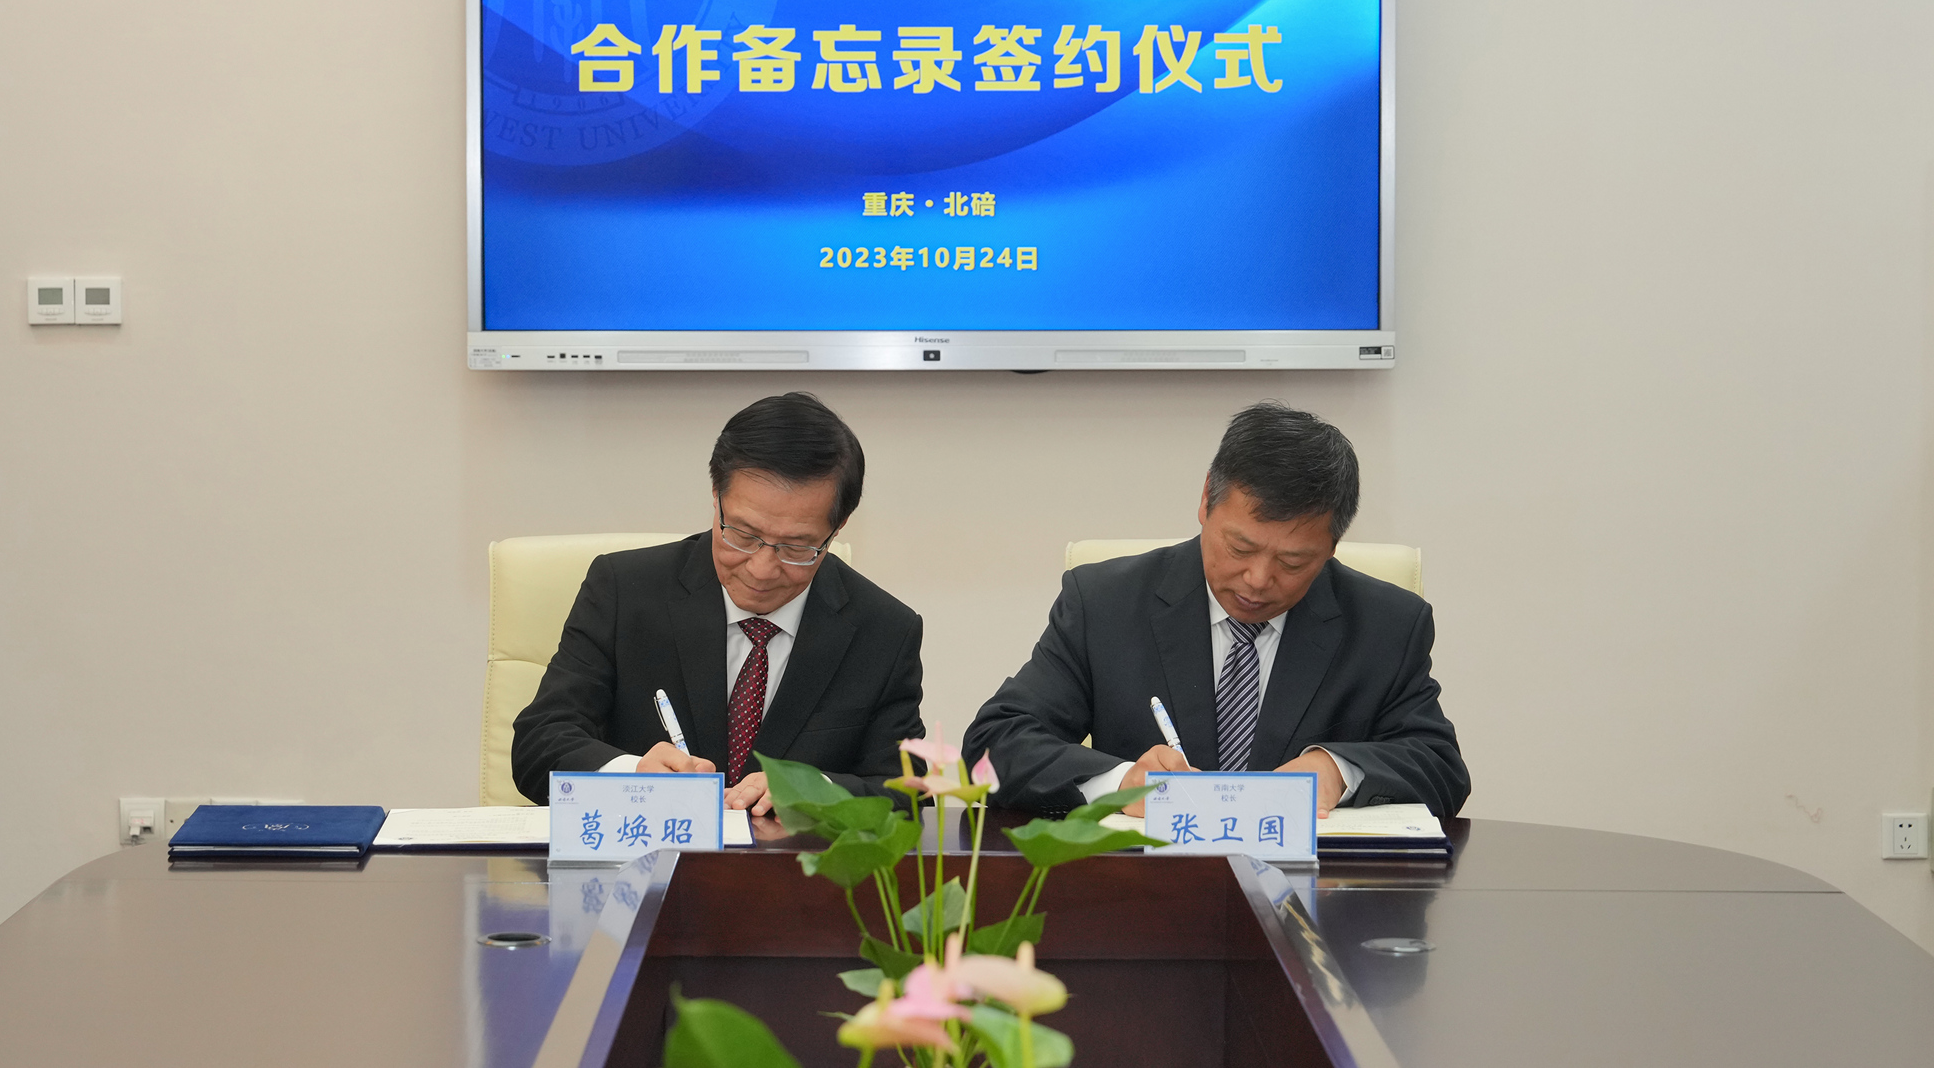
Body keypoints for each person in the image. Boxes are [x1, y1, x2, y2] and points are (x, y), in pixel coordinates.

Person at [964, 401, 1469, 818]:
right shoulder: (1104, 603)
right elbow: (995, 741)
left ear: (1332, 546)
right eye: (1240, 548)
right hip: (1143, 892)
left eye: (1293, 562)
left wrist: (1338, 770)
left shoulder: (1386, 624)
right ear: (1206, 500)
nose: (1258, 579)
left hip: (1316, 894)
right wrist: (1121, 783)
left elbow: (1440, 766)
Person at [512, 393, 925, 813]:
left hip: (790, 856)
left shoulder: (885, 630)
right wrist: (632, 775)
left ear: (837, 528)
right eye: (742, 535)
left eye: (796, 547)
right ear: (716, 496)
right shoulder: (624, 590)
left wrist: (819, 790)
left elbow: (906, 793)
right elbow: (539, 742)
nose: (762, 569)